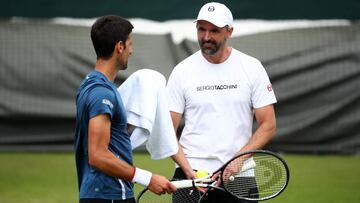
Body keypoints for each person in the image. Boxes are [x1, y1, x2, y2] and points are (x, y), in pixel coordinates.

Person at [167, 2, 277, 203]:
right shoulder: (181, 71)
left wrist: (237, 162)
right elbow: (167, 131)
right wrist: (188, 170)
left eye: (214, 31)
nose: (206, 37)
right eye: (201, 29)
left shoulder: (252, 68)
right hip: (190, 177)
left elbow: (268, 125)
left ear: (229, 31)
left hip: (240, 176)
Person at [74, 15, 176, 203]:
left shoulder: (90, 85)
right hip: (109, 194)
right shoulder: (102, 94)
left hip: (101, 193)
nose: (131, 51)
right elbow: (97, 155)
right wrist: (148, 178)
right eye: (130, 44)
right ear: (119, 47)